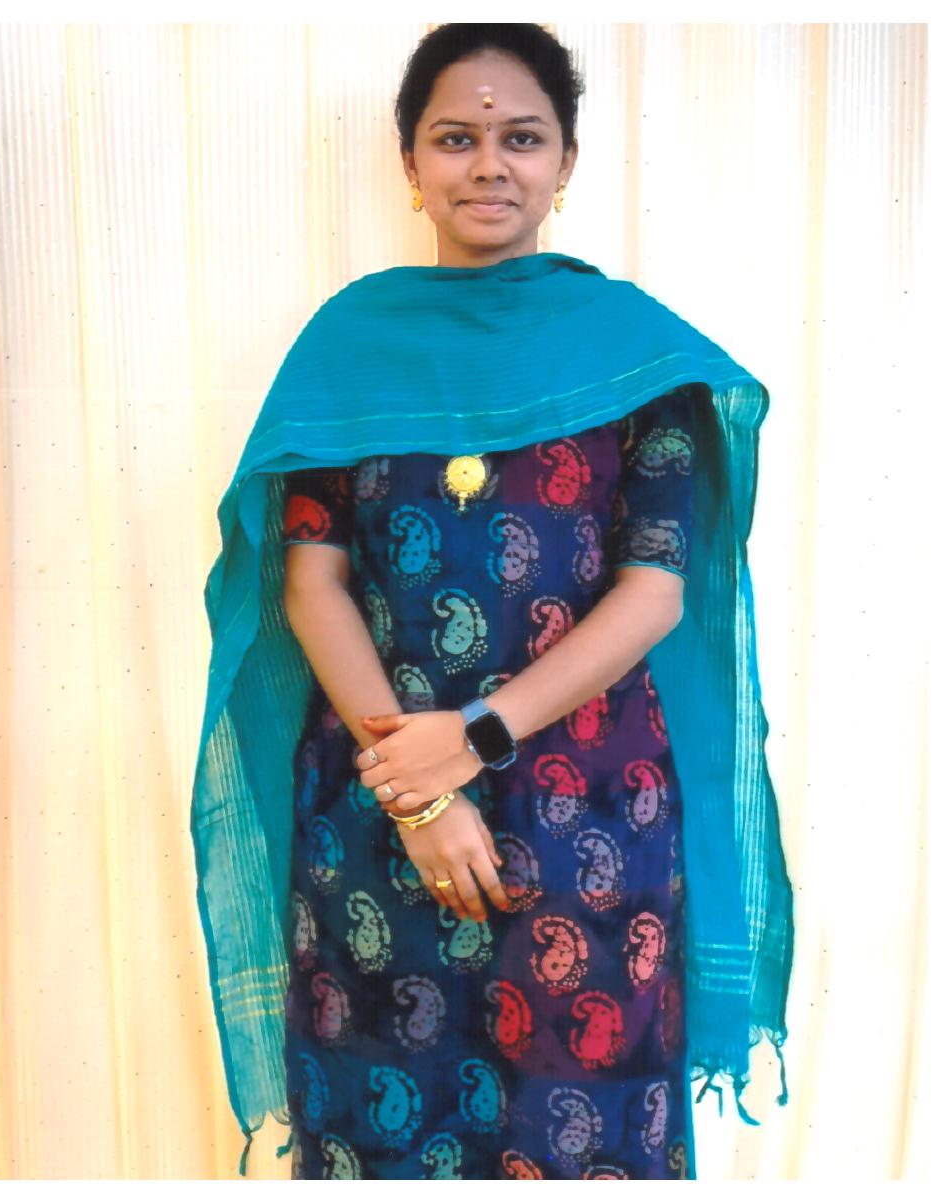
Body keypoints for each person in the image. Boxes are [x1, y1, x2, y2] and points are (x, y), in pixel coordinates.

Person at [190, 23, 794, 1182]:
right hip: (379, 809)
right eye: (455, 139)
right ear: (410, 163)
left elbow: (655, 593)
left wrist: (471, 741)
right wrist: (418, 794)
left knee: (585, 1139)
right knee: (380, 1133)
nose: (489, 166)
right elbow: (312, 582)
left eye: (522, 138)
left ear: (566, 162)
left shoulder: (635, 354)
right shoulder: (349, 348)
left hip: (591, 819)